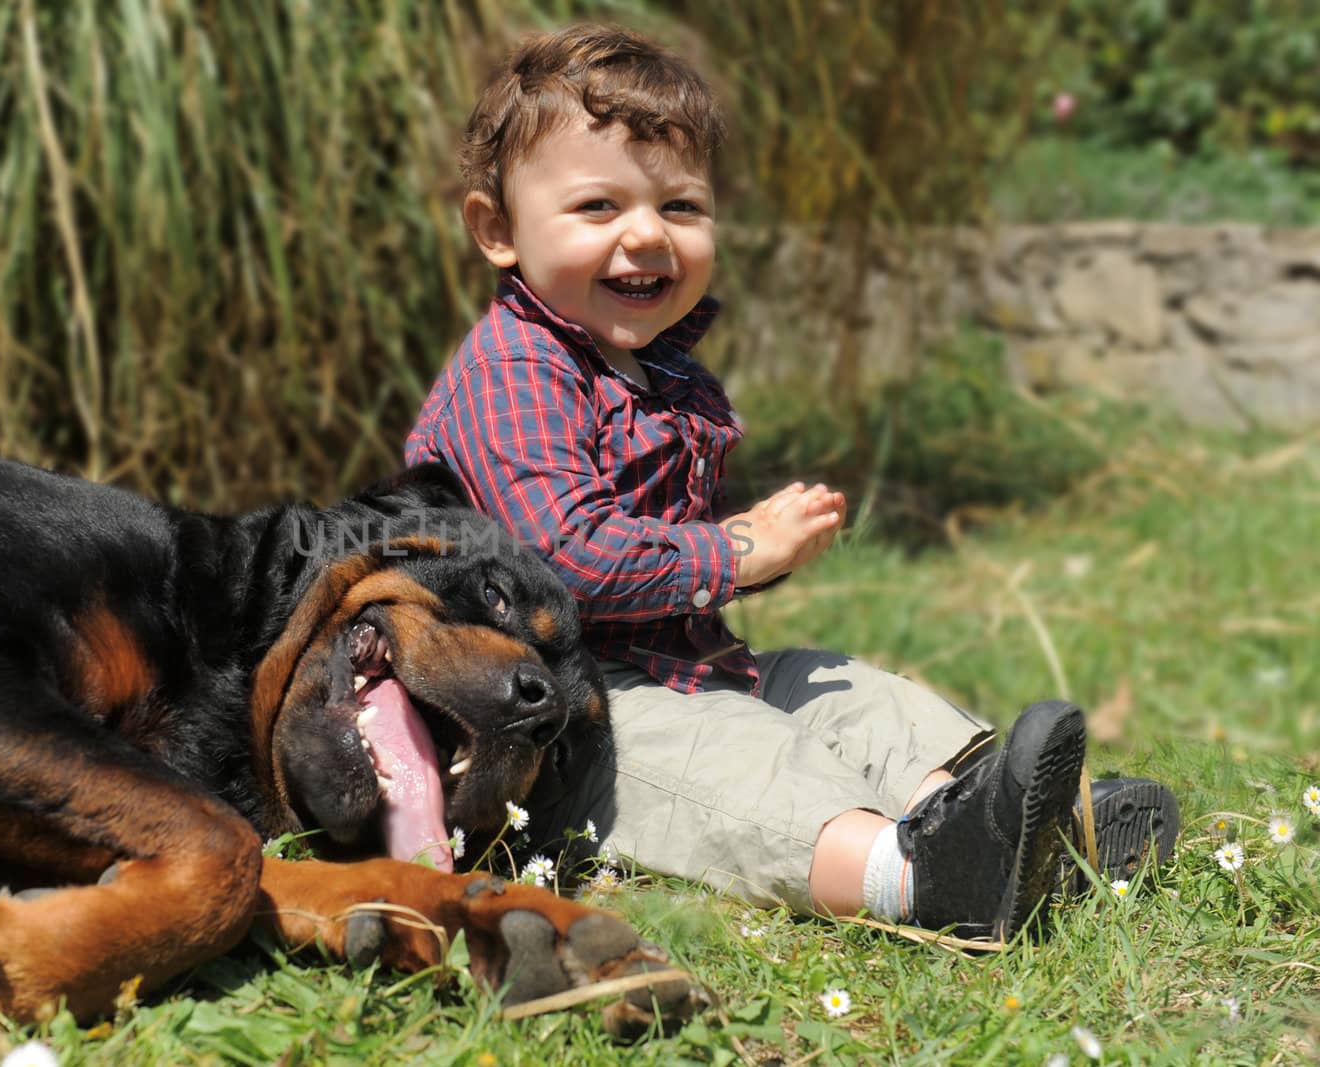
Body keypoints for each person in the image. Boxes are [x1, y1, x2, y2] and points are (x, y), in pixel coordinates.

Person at [405, 23, 1177, 938]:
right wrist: (734, 550)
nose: (646, 233)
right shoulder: (514, 369)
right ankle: (922, 878)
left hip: (682, 666)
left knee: (837, 689)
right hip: (555, 723)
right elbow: (561, 559)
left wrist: (759, 549)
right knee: (740, 762)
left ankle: (990, 814)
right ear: (498, 229)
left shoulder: (662, 368)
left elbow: (662, 554)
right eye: (598, 208)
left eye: (681, 207)